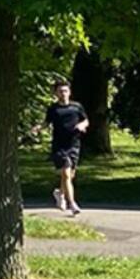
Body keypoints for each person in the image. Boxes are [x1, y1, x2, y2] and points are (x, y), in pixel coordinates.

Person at [32, 79, 89, 216]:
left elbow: (85, 120)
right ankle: (72, 204)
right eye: (60, 91)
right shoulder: (53, 109)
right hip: (59, 145)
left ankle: (60, 193)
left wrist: (82, 125)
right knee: (66, 173)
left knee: (70, 175)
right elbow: (46, 123)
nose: (63, 93)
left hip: (74, 145)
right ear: (56, 93)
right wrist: (38, 128)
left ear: (69, 92)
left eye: (65, 91)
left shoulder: (77, 107)